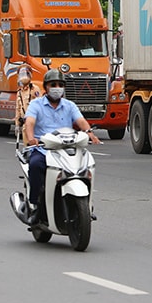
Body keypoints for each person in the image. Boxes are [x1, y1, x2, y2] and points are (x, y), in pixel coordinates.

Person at [23, 69, 100, 223]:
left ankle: (87, 206)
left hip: (67, 149)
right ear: (46, 87)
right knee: (36, 165)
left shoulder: (69, 105)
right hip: (45, 149)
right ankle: (36, 206)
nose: (57, 87)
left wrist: (89, 133)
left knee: (87, 165)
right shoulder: (36, 104)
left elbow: (81, 121)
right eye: (53, 84)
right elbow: (29, 122)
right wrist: (31, 138)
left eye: (60, 84)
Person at [15, 66, 39, 134]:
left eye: (25, 74)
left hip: (34, 122)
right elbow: (18, 109)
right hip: (25, 124)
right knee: (26, 143)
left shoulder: (34, 89)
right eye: (21, 75)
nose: (23, 77)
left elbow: (40, 105)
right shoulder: (19, 92)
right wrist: (17, 124)